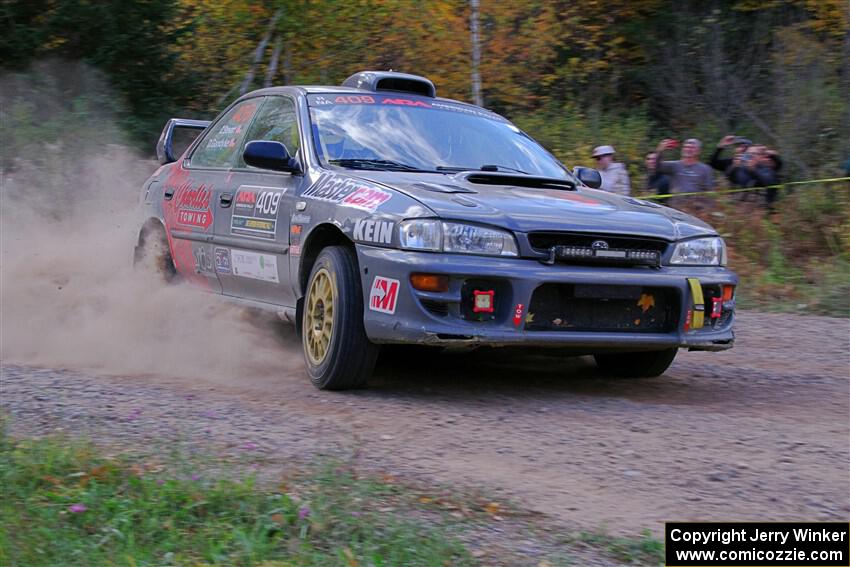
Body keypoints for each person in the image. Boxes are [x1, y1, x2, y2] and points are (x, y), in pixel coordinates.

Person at [654, 138, 715, 209]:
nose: (688, 149)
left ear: (698, 151)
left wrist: (705, 208)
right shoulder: (674, 165)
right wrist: (660, 150)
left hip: (695, 210)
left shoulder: (705, 169)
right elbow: (656, 166)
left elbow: (709, 192)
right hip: (675, 208)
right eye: (686, 147)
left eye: (692, 147)